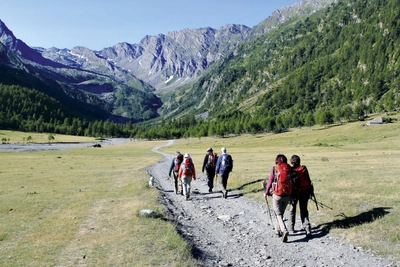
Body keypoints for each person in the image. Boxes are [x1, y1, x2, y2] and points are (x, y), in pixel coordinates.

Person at [264, 154, 291, 243]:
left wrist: (266, 192)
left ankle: (284, 230)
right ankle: (277, 230)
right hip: (287, 194)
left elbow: (270, 181)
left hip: (277, 194)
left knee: (278, 214)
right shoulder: (289, 168)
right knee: (281, 213)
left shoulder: (275, 168)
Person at [288, 154, 313, 238]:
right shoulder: (304, 168)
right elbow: (309, 180)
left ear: (291, 162)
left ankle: (291, 228)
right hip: (305, 191)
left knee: (292, 210)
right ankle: (307, 227)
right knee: (304, 210)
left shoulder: (291, 170)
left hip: (294, 193)